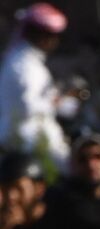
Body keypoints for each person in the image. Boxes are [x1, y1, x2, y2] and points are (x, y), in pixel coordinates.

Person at [0, 3, 69, 169]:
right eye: (50, 35)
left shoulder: (30, 62)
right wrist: (57, 102)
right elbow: (27, 106)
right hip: (27, 140)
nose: (55, 41)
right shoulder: (23, 65)